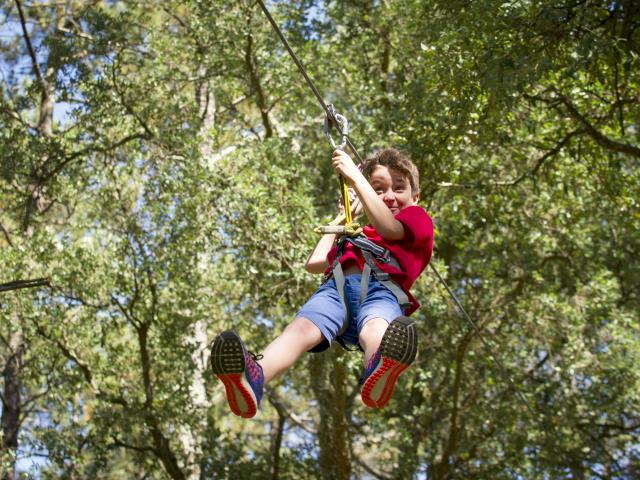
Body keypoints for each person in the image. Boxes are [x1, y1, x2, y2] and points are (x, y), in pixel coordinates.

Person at [210, 148, 434, 418]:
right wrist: (342, 219)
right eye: (379, 189)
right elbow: (315, 262)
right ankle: (254, 377)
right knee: (300, 329)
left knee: (374, 328)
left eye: (399, 188)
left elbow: (390, 228)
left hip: (382, 290)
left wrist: (355, 175)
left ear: (415, 197)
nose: (389, 196)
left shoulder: (417, 218)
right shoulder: (359, 231)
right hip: (336, 290)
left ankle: (379, 366)